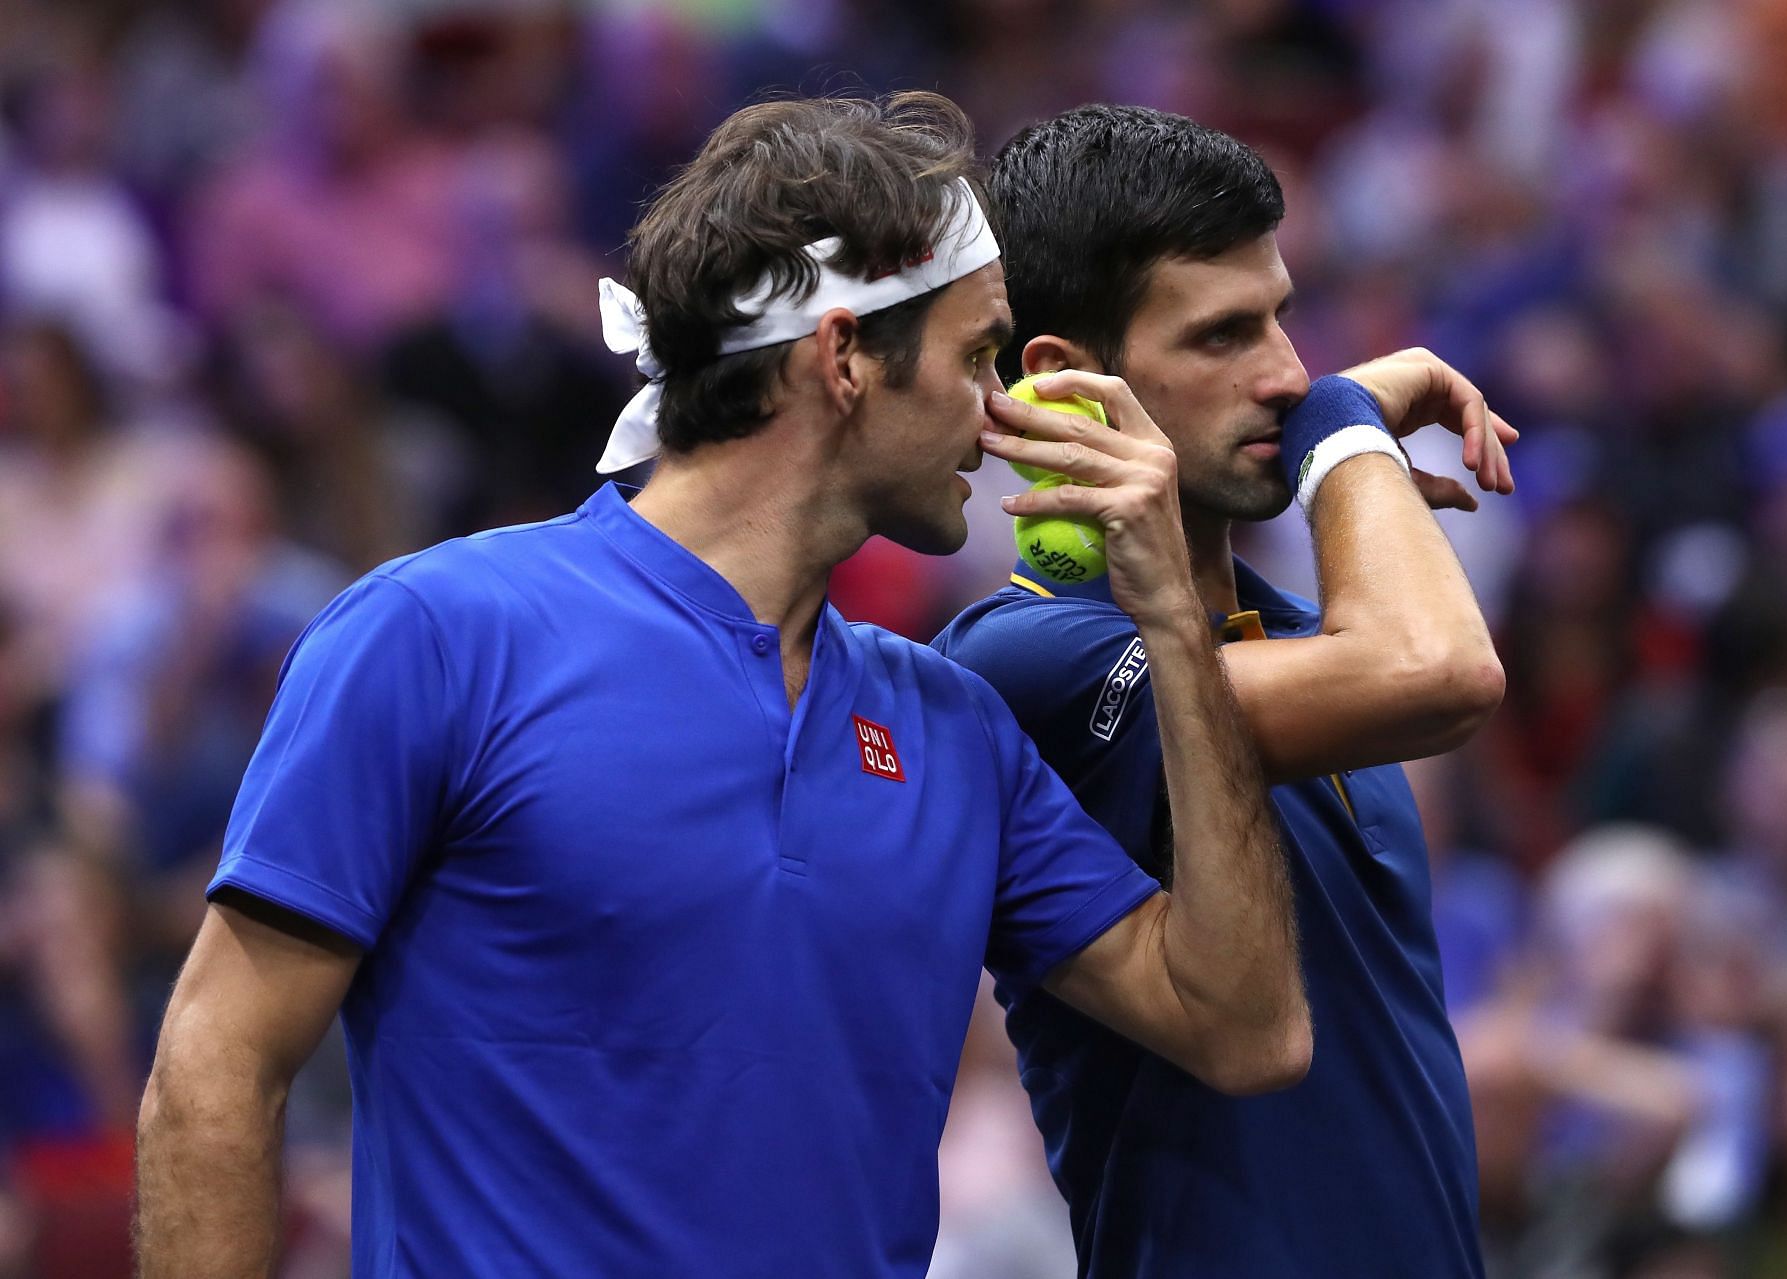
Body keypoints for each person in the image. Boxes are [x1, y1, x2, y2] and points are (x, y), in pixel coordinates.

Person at [134, 93, 1312, 1278]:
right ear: (844, 357)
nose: (1004, 410)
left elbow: (1244, 1026)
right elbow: (217, 1063)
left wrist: (1172, 616)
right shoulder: (436, 634)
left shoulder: (955, 729)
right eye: (973, 356)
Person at [933, 103, 1514, 1276]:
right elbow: (1442, 670)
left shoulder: (1301, 637)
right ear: (1066, 378)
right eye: (1221, 337)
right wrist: (1347, 435)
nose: (1290, 377)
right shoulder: (1023, 660)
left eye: (1284, 322)